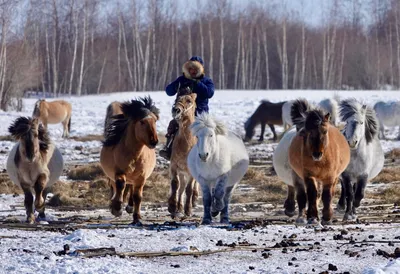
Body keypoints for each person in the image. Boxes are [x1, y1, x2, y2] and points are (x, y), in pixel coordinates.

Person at [159, 56, 215, 160]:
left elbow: (209, 93)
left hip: (200, 115)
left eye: (195, 69)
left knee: (205, 133)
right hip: (182, 114)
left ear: (200, 69)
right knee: (172, 126)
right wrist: (175, 86)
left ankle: (209, 152)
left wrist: (197, 83)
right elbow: (168, 91)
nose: (193, 71)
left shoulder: (206, 81)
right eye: (191, 69)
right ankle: (169, 149)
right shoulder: (182, 80)